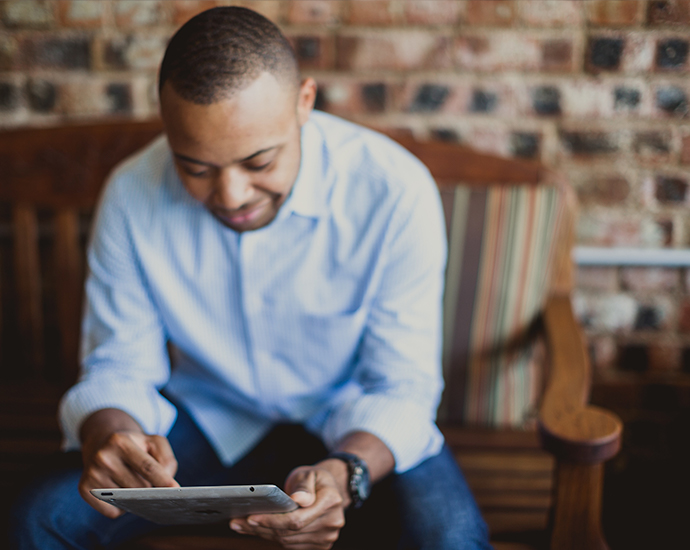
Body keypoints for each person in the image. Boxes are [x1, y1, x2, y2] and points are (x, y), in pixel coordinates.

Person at [10, 7, 491, 550]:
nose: (231, 196)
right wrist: (111, 433)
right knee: (39, 518)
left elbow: (401, 387)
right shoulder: (131, 193)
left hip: (353, 424)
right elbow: (119, 363)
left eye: (259, 162)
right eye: (195, 168)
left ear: (304, 102)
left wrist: (346, 473)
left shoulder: (394, 192)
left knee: (453, 539)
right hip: (203, 420)